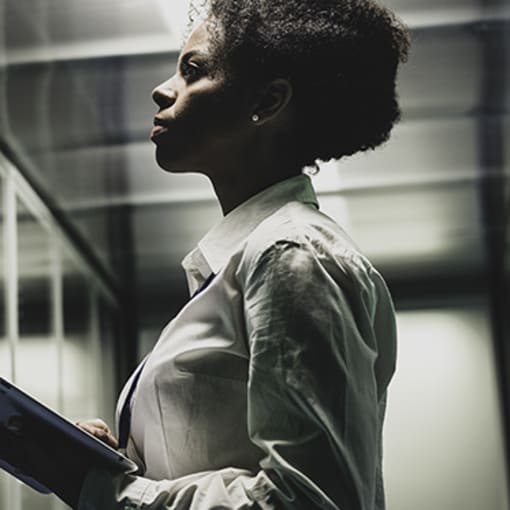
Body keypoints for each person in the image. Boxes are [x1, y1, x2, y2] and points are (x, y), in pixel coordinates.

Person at [1, 0, 410, 508]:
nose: (162, 89)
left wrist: (111, 490)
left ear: (268, 100)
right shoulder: (250, 260)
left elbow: (310, 500)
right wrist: (116, 464)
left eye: (192, 71)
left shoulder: (292, 255)